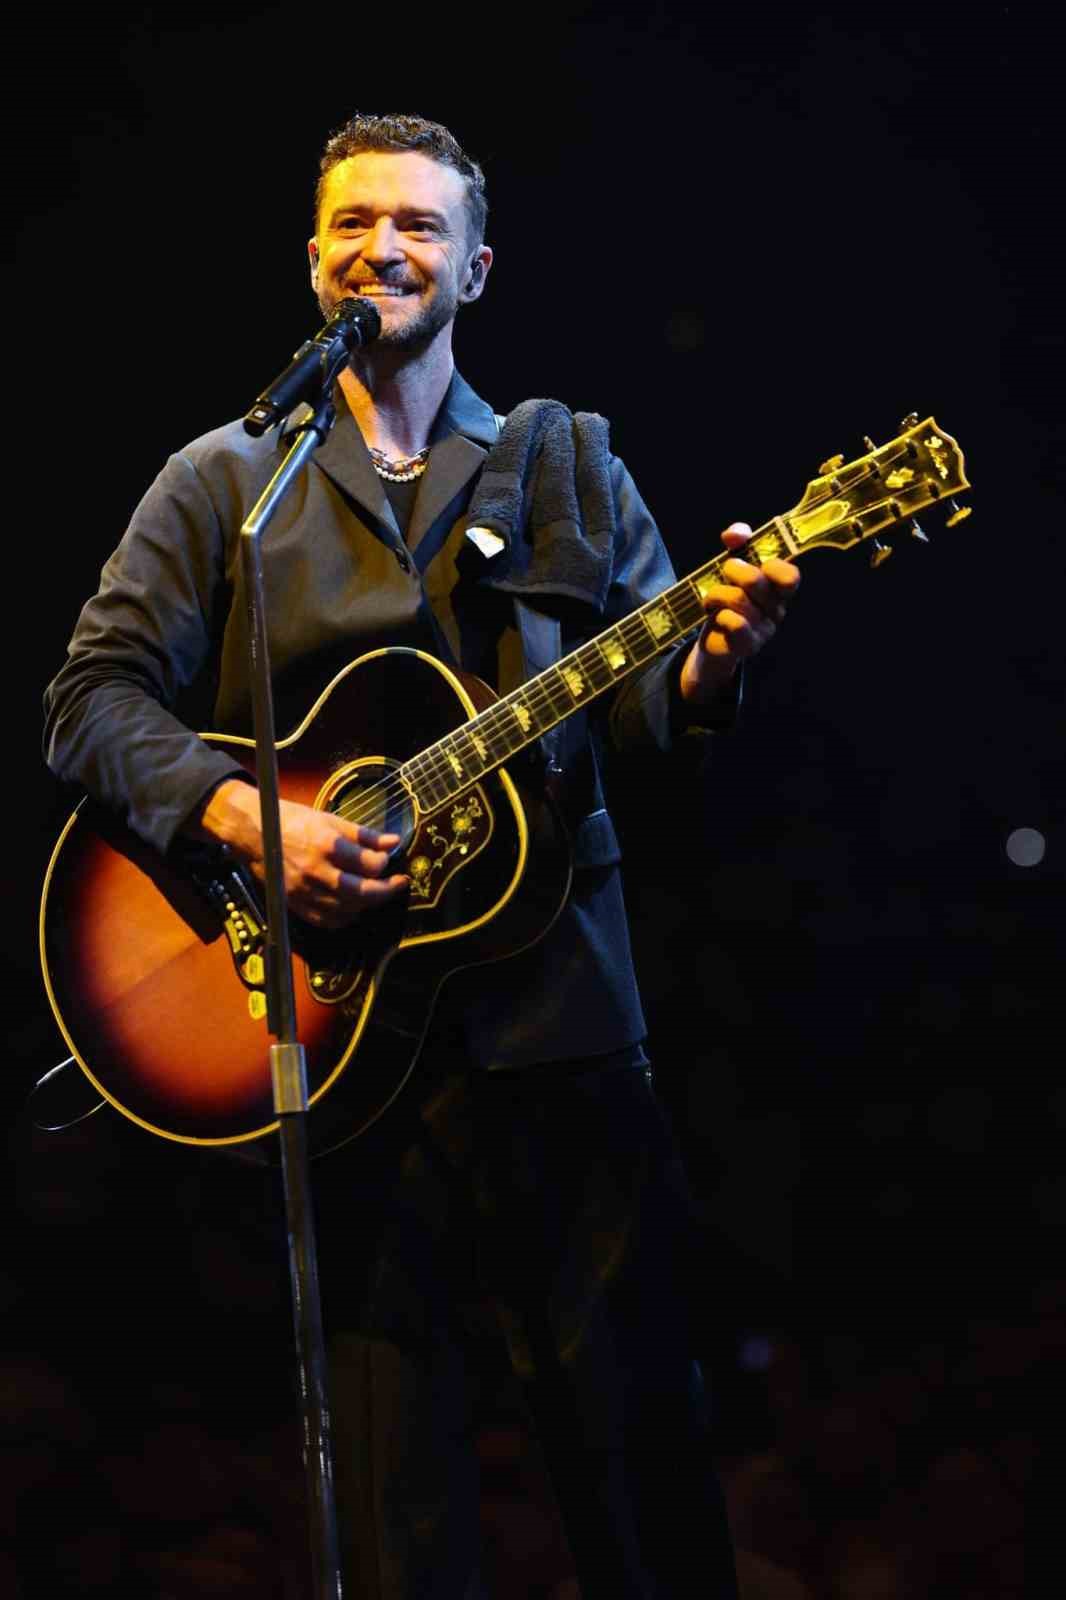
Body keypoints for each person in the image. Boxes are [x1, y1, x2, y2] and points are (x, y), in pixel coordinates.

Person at [43, 113, 800, 1599]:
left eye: (417, 226)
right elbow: (91, 701)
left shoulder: (566, 466)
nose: (381, 248)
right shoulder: (228, 480)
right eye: (353, 223)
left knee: (641, 1483)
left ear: (475, 270)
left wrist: (715, 663)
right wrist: (249, 817)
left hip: (562, 1037)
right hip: (338, 1061)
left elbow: (648, 707)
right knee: (401, 1518)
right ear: (311, 258)